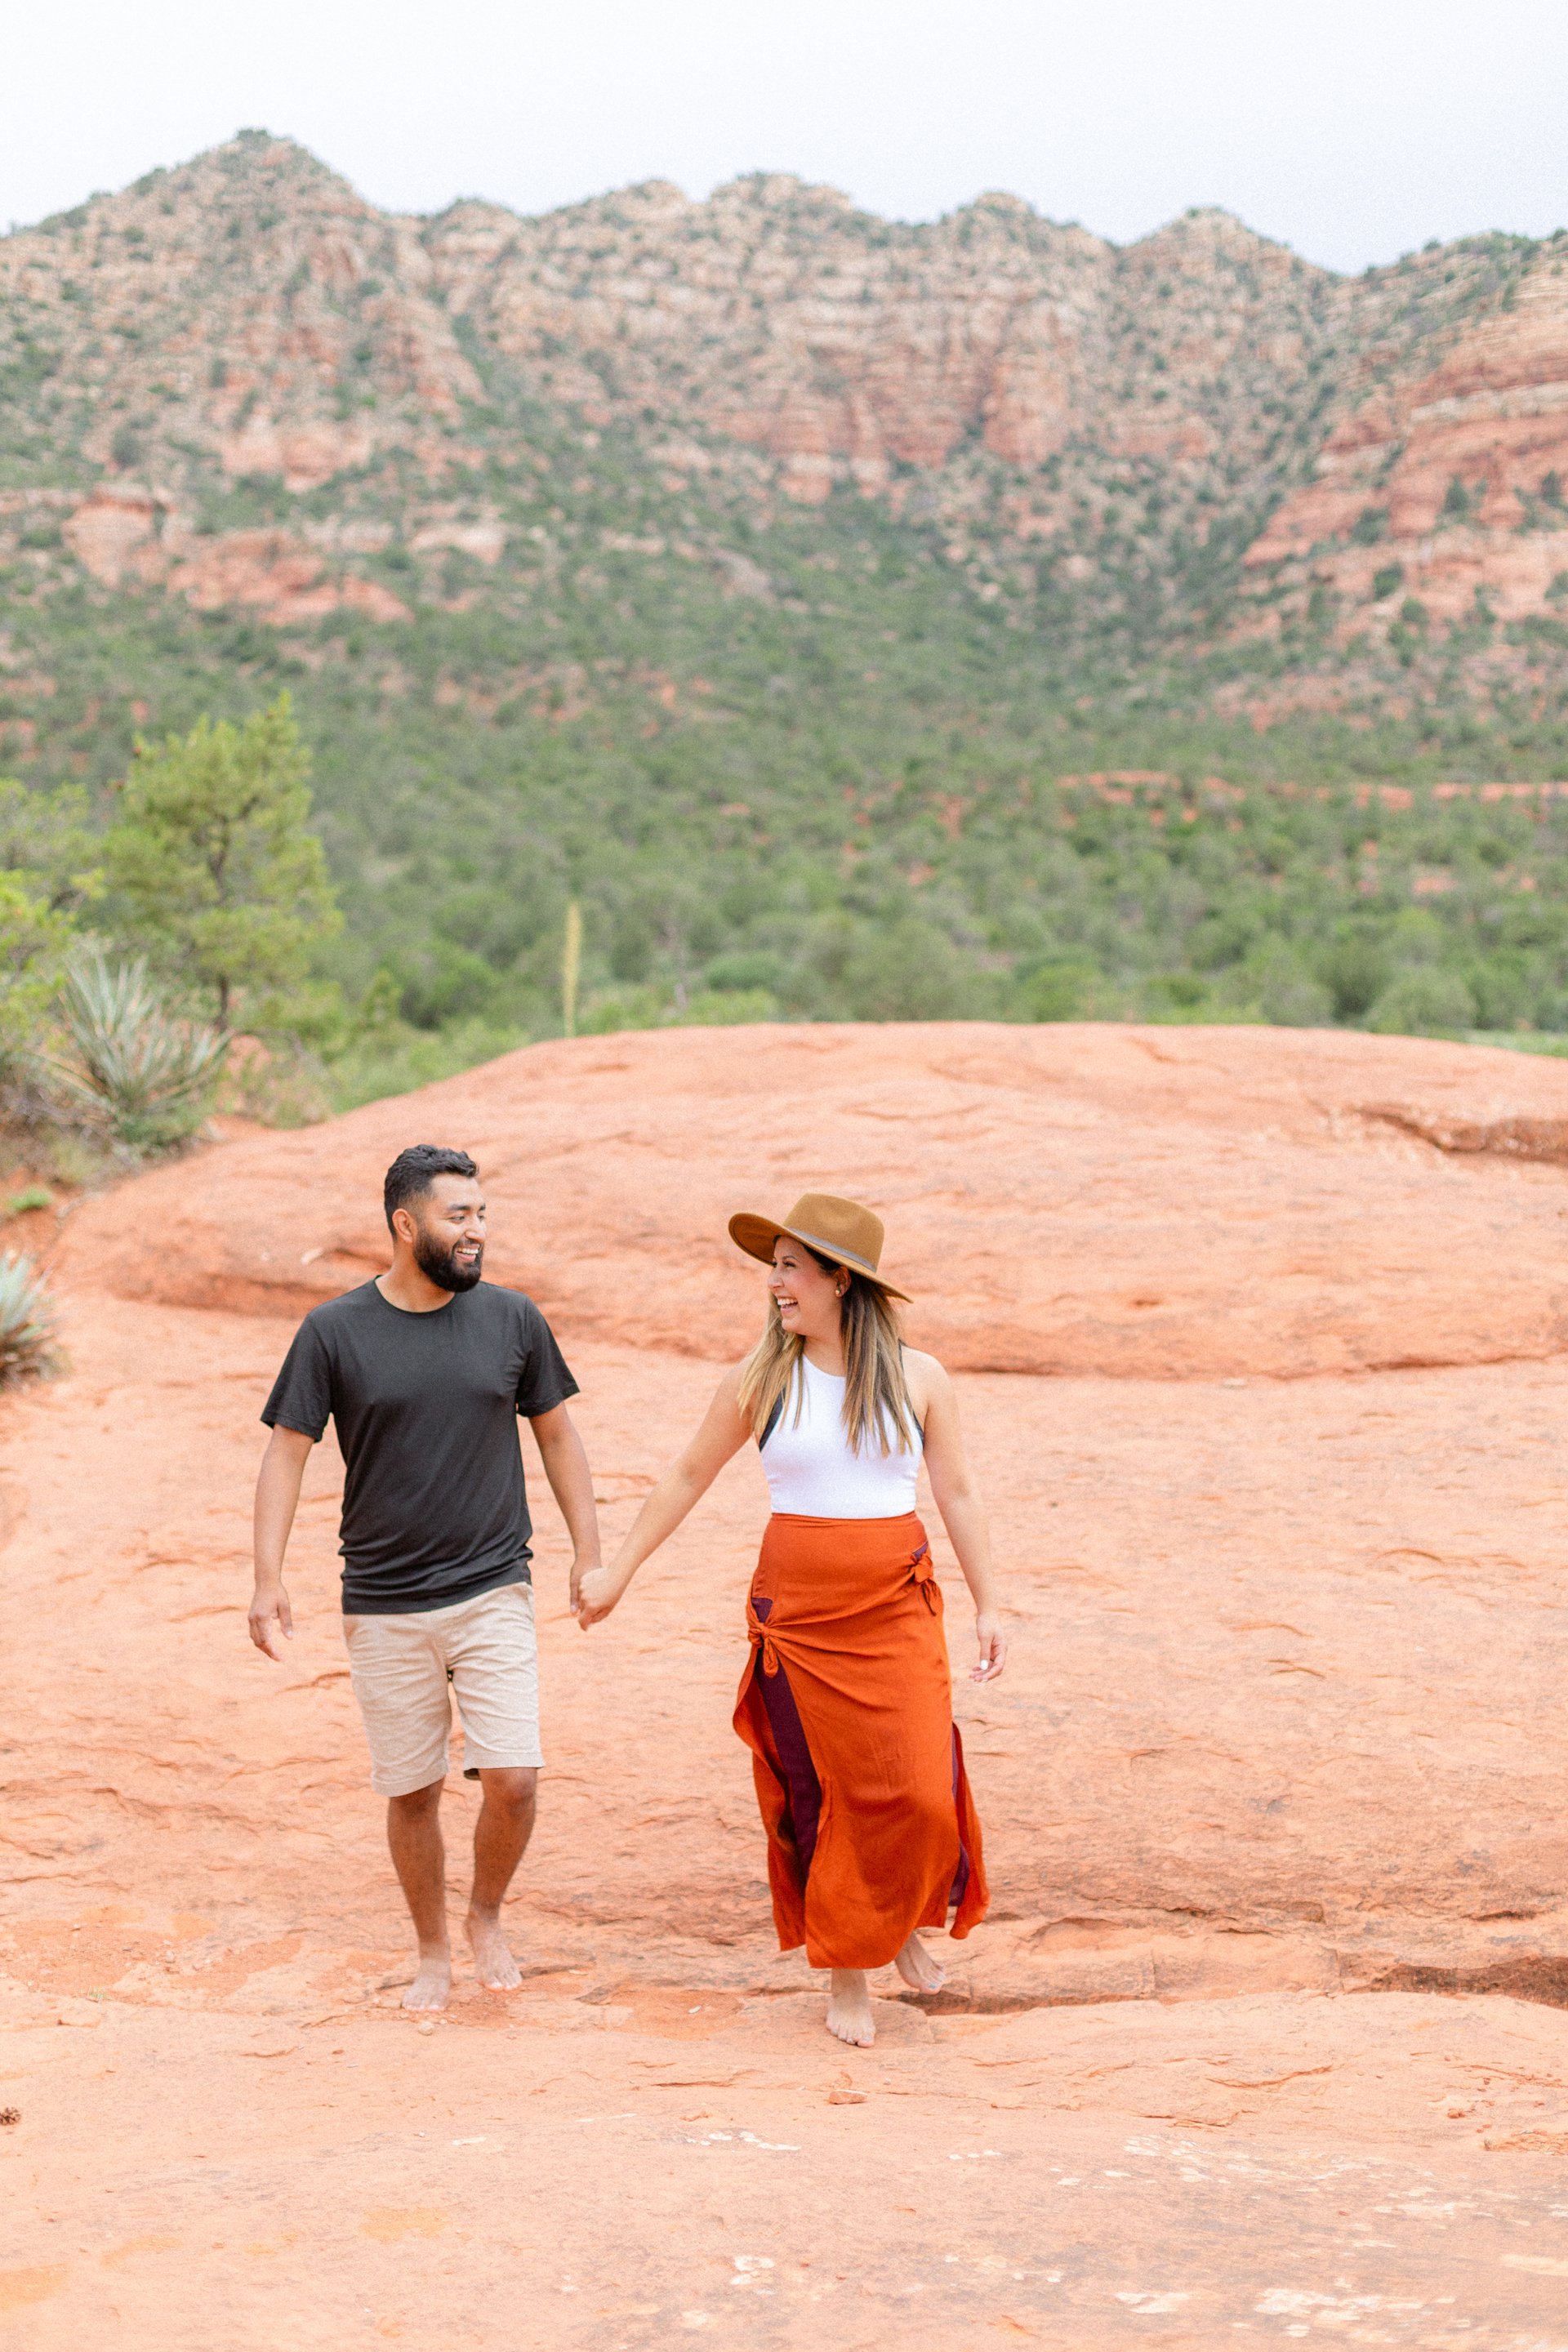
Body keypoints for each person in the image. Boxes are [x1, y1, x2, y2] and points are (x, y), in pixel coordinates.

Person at [576, 1192, 1004, 2048]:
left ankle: (907, 1923)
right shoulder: (762, 1376)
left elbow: (956, 1489)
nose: (773, 1284)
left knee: (918, 1789)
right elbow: (686, 1476)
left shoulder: (921, 1379)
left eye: (788, 1268)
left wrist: (992, 1603)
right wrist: (617, 1571)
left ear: (839, 1280)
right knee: (826, 1794)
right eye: (772, 1267)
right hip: (798, 1617)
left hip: (895, 1605)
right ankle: (849, 1969)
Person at [247, 1144, 600, 2011]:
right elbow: (285, 1456)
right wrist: (267, 1578)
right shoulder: (334, 1332)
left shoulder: (513, 1320)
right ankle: (432, 1949)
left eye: (481, 1214)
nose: (476, 1231)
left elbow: (558, 1436)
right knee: (412, 1792)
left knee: (513, 1779)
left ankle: (485, 1912)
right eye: (458, 1217)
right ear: (406, 1226)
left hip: (493, 1587)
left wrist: (591, 1554)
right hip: (383, 1600)